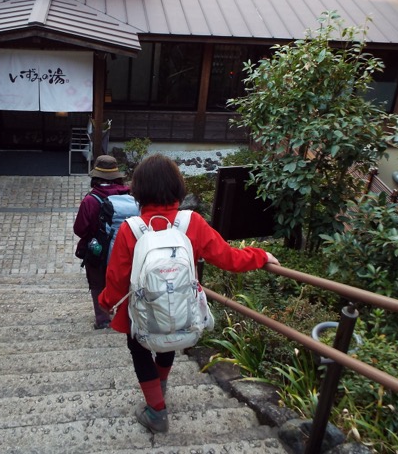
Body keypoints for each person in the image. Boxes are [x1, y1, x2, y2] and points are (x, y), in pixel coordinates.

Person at [98, 153, 280, 434]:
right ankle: (160, 387)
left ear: (139, 190)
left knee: (140, 350)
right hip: (180, 308)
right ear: (177, 186)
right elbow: (228, 258)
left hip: (143, 310)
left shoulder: (130, 229)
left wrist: (106, 303)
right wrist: (261, 255)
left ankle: (156, 411)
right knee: (169, 342)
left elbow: (117, 279)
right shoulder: (191, 222)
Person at [73, 154, 132, 330]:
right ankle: (125, 317)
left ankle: (103, 319)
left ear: (96, 177)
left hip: (98, 251)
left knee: (97, 283)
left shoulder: (91, 200)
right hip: (126, 250)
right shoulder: (129, 196)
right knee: (125, 282)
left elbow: (80, 229)